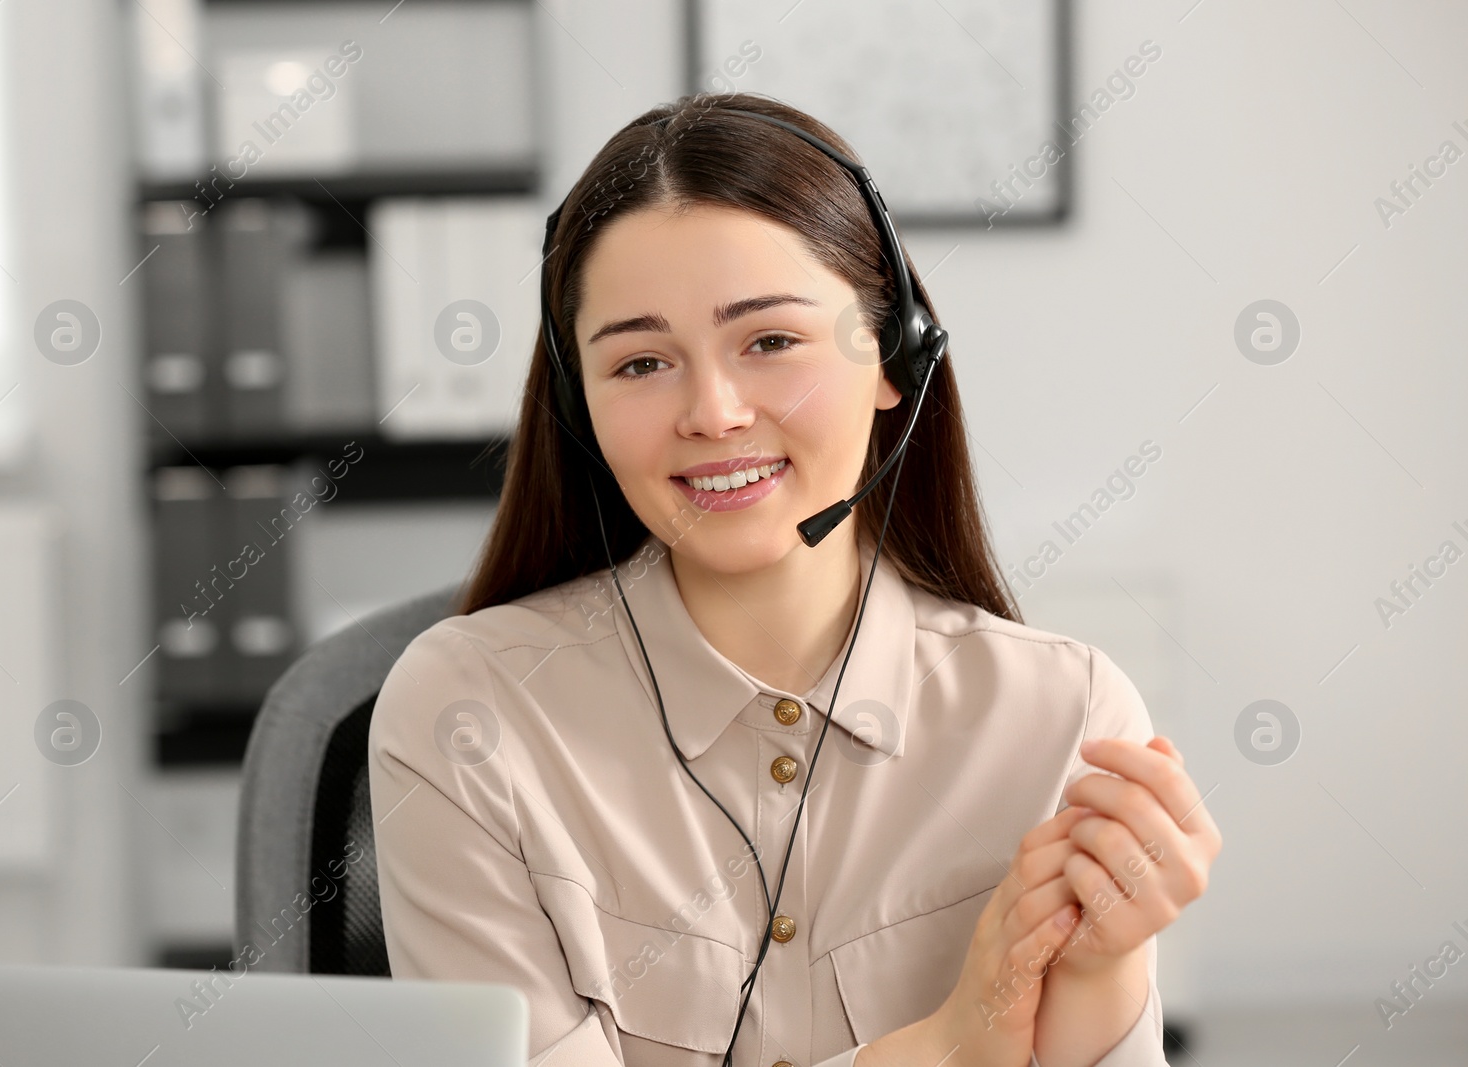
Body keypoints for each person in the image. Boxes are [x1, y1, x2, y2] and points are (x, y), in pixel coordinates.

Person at [368, 91, 1222, 1067]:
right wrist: (944, 1047)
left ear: (894, 356)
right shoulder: (468, 711)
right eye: (641, 361)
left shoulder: (1064, 719)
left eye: (769, 341)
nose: (714, 411)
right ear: (579, 405)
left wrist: (1104, 966)